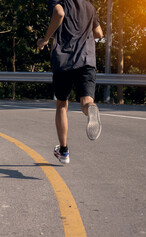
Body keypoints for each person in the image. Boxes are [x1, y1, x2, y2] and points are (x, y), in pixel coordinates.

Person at [37, 0, 103, 164]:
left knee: (62, 105)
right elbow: (99, 33)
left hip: (65, 59)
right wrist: (83, 33)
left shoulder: (59, 1)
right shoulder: (89, 6)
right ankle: (91, 109)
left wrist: (45, 39)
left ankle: (64, 151)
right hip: (87, 58)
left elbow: (59, 13)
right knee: (86, 101)